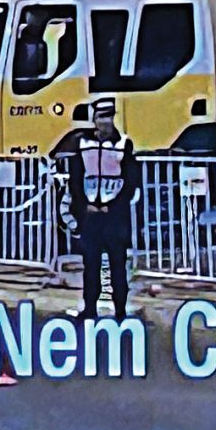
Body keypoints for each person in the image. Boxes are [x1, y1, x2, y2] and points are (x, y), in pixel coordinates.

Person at [64, 118, 138, 321]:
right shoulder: (83, 144)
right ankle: (90, 309)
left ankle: (120, 311)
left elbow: (131, 180)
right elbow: (75, 178)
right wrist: (83, 206)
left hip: (114, 218)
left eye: (108, 119)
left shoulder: (123, 144)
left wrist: (113, 207)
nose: (104, 125)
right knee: (91, 266)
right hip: (91, 217)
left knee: (117, 266)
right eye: (101, 119)